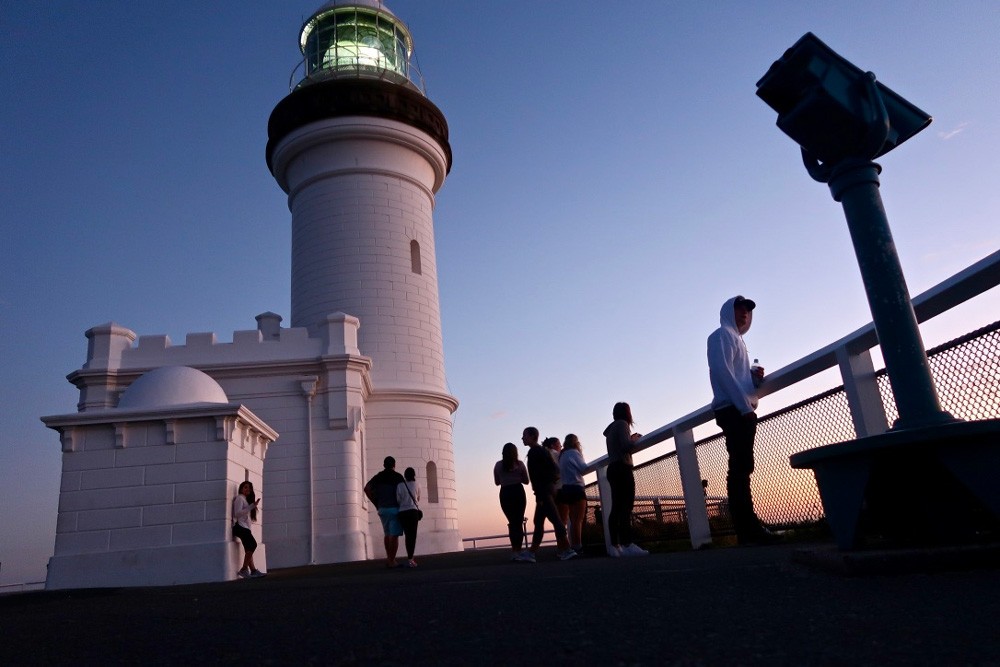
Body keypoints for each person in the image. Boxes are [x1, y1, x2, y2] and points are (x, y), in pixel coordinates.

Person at [707, 295, 779, 545]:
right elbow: (721, 371)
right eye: (739, 308)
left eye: (747, 310)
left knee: (741, 467)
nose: (744, 313)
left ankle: (747, 527)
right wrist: (744, 407)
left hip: (738, 408)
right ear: (728, 310)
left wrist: (753, 379)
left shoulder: (737, 341)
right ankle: (748, 528)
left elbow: (733, 375)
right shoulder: (720, 335)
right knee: (740, 468)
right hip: (735, 410)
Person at [523, 427, 576, 562]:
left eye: (524, 436)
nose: (522, 438)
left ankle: (567, 549)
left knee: (556, 521)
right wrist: (551, 483)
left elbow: (535, 477)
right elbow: (556, 471)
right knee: (539, 521)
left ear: (531, 436)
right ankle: (532, 552)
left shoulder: (535, 452)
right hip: (547, 490)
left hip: (544, 493)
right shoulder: (542, 451)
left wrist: (540, 494)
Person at [603, 402, 649, 557]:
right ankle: (628, 544)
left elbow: (618, 445)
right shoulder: (623, 424)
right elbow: (625, 446)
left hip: (612, 468)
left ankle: (614, 545)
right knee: (626, 506)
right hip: (623, 468)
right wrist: (634, 440)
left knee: (616, 507)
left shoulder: (611, 430)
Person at [364, 456, 406, 567]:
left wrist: (376, 503)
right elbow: (404, 492)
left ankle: (389, 559)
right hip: (395, 509)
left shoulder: (378, 476)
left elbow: (367, 488)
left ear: (384, 465)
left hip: (382, 509)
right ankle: (392, 561)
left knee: (387, 534)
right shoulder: (398, 477)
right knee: (395, 535)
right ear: (394, 465)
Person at [493, 442, 529, 561]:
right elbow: (526, 481)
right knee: (519, 522)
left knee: (512, 522)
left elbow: (497, 482)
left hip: (505, 493)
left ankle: (514, 550)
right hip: (518, 492)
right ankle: (519, 550)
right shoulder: (520, 465)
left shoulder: (498, 465)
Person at [558, 434, 588, 555]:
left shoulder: (562, 455)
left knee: (572, 519)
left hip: (566, 489)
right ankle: (578, 546)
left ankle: (574, 545)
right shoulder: (574, 453)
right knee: (578, 520)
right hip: (576, 488)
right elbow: (583, 468)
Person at [232, 481, 266, 578]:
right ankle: (243, 569)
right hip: (240, 527)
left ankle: (253, 570)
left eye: (249, 488)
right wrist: (251, 507)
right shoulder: (239, 498)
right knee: (253, 545)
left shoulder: (245, 499)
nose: (248, 490)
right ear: (241, 488)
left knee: (248, 549)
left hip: (245, 528)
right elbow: (237, 514)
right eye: (245, 487)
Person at [396, 467, 421, 568]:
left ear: (405, 475)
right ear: (414, 475)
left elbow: (398, 500)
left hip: (403, 512)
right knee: (413, 536)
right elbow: (418, 498)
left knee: (407, 535)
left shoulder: (400, 485)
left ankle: (409, 558)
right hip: (413, 512)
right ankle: (411, 559)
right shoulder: (417, 484)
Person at [543, 436, 570, 529]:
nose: (561, 446)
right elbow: (562, 469)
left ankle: (561, 542)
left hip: (550, 491)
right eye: (559, 444)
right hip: (561, 489)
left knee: (557, 522)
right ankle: (564, 543)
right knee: (563, 520)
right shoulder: (556, 455)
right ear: (553, 445)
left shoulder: (544, 455)